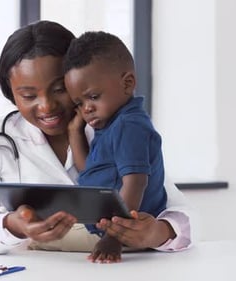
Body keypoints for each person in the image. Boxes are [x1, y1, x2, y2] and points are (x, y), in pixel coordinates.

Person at [0, 20, 194, 260]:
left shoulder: (114, 127)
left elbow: (186, 215)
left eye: (59, 89)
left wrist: (159, 233)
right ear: (11, 94)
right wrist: (12, 226)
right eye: (28, 95)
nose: (46, 106)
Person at [64, 31, 167, 263]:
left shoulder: (129, 125)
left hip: (124, 236)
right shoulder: (109, 124)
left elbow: (136, 182)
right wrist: (74, 131)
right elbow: (88, 171)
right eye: (79, 103)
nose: (86, 108)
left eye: (93, 96)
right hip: (108, 232)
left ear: (127, 83)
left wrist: (114, 237)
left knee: (37, 243)